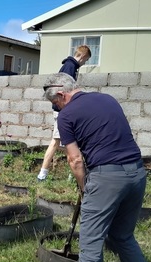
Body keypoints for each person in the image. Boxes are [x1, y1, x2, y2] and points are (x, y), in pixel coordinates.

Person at [43, 73, 151, 262]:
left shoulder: (66, 116)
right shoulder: (108, 99)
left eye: (55, 103)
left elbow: (75, 160)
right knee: (122, 234)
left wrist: (86, 188)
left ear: (62, 95)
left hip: (107, 177)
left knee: (91, 239)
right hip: (136, 172)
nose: (56, 108)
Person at [37, 45, 91, 181]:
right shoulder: (70, 67)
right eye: (85, 61)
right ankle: (43, 174)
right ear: (83, 56)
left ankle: (69, 175)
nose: (84, 63)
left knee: (63, 142)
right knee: (58, 142)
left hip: (62, 110)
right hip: (62, 111)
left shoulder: (70, 66)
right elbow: (63, 92)